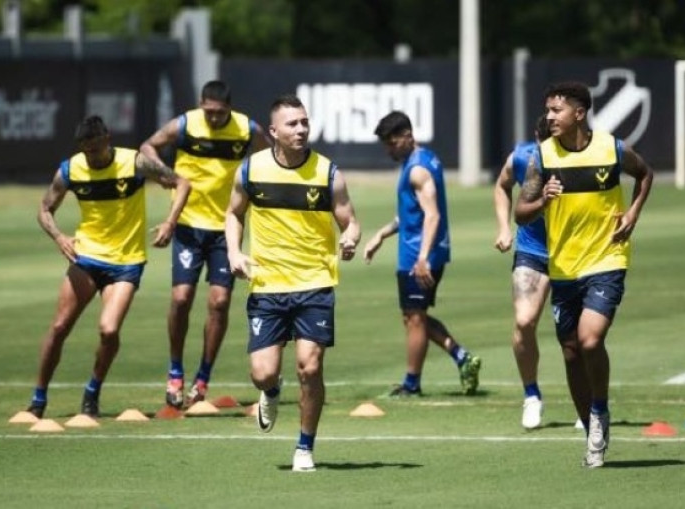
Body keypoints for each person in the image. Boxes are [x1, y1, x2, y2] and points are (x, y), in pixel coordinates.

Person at [515, 82, 653, 468]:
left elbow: (645, 175)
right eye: (547, 110)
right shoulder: (541, 157)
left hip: (607, 260)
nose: (549, 117)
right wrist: (545, 199)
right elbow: (520, 212)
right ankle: (591, 422)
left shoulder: (612, 148)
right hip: (563, 268)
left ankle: (600, 411)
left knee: (590, 340)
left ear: (579, 113)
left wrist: (632, 214)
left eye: (556, 110)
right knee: (571, 351)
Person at [226, 94, 360, 472]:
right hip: (266, 285)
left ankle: (304, 447)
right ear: (273, 132)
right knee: (263, 372)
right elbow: (234, 214)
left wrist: (350, 237)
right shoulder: (250, 171)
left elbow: (349, 220)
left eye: (304, 122)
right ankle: (270, 392)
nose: (301, 129)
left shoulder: (328, 172)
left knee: (310, 367)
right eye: (292, 124)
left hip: (315, 284)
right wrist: (234, 253)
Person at [24, 115, 190, 419]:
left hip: (127, 262)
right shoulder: (71, 170)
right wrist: (59, 237)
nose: (93, 157)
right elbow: (45, 208)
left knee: (109, 330)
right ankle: (38, 399)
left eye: (97, 149)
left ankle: (92, 391)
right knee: (60, 326)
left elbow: (181, 183)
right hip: (86, 257)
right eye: (87, 151)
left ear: (107, 139)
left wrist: (170, 221)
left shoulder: (135, 163)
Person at [141, 80, 268, 409]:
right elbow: (147, 148)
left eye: (219, 113)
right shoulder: (185, 124)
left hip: (226, 227)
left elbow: (269, 159)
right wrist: (168, 176)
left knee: (220, 301)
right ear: (201, 105)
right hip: (186, 225)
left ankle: (202, 378)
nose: (212, 119)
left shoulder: (246, 129)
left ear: (230, 108)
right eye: (208, 112)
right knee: (181, 298)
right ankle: (175, 371)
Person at [364, 111, 482, 397]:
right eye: (386, 145)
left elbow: (432, 215)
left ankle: (412, 384)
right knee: (413, 316)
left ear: (408, 136)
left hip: (417, 255)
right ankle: (462, 357)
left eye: (392, 143)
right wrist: (382, 233)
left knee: (414, 318)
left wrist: (422, 258)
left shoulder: (416, 170)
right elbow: (412, 213)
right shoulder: (427, 158)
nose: (389, 150)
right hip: (424, 251)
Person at [493, 114, 552, 429]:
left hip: (577, 253)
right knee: (524, 320)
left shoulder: (582, 159)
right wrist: (503, 227)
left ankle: (591, 404)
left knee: (578, 337)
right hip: (532, 251)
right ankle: (531, 395)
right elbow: (502, 186)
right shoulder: (521, 157)